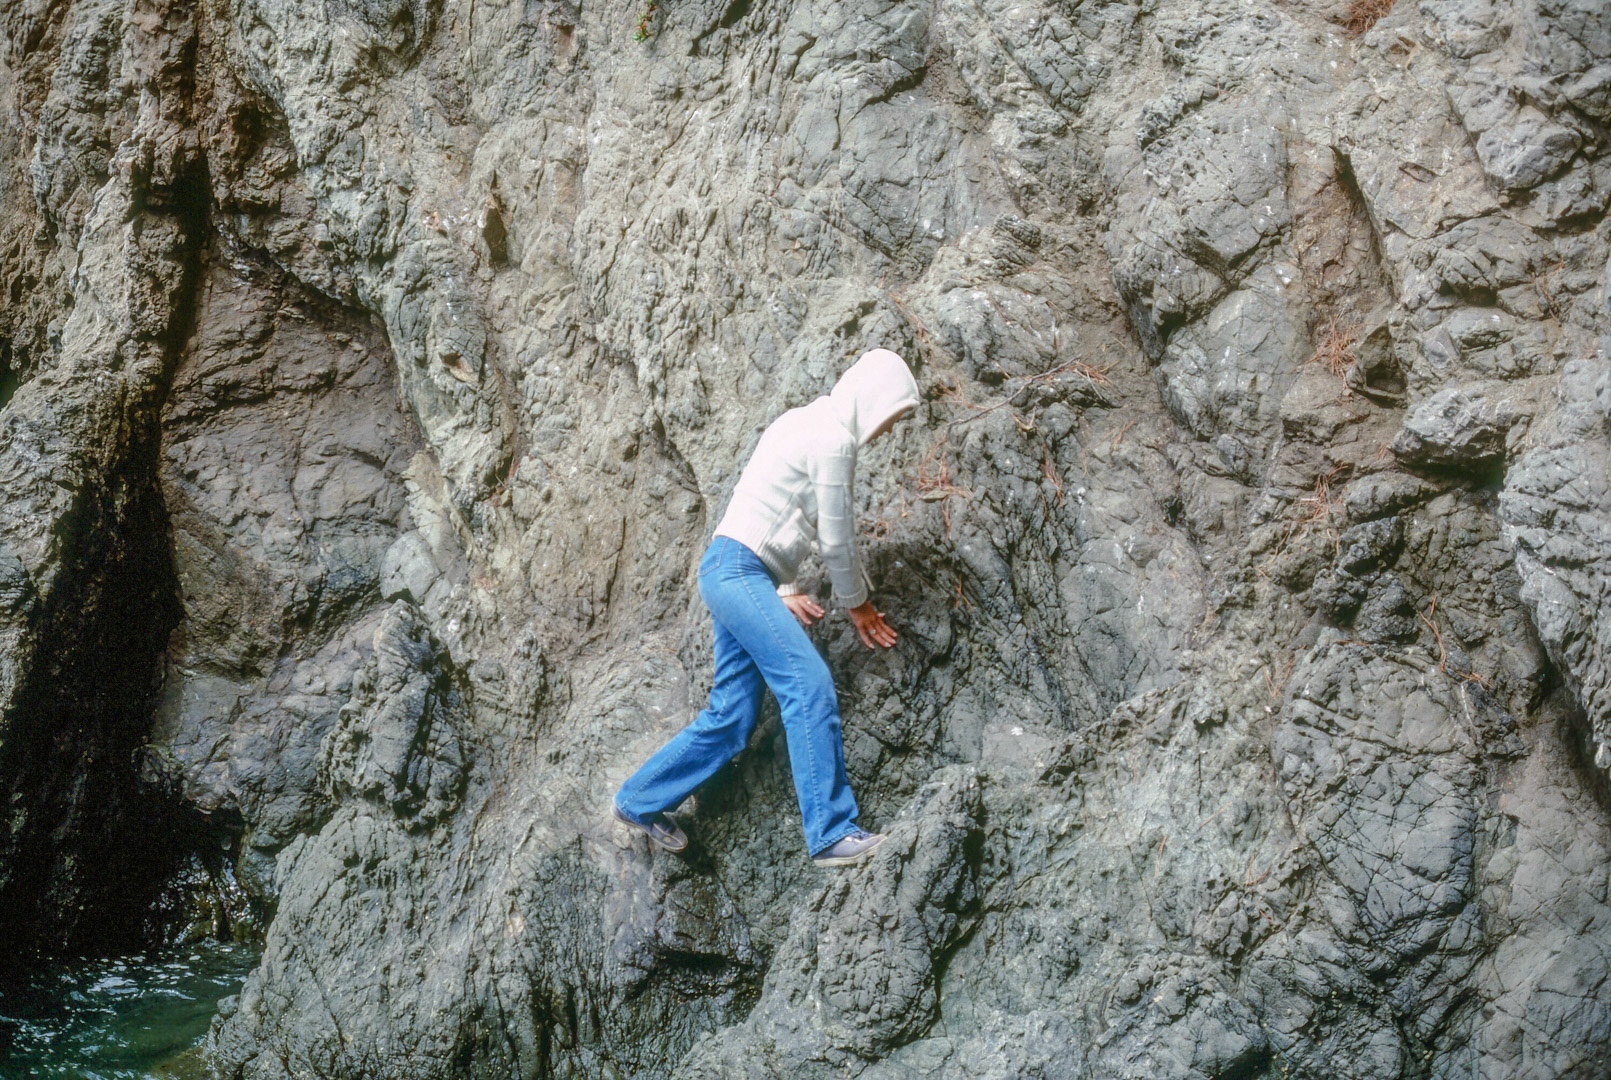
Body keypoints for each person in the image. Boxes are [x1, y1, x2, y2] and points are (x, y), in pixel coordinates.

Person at [612, 348, 920, 867]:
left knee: (733, 715)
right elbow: (836, 537)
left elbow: (770, 504)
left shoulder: (800, 420)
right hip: (739, 571)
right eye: (892, 417)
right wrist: (859, 605)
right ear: (873, 400)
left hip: (727, 566)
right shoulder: (834, 438)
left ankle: (638, 800)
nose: (887, 430)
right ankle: (831, 833)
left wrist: (783, 588)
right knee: (808, 683)